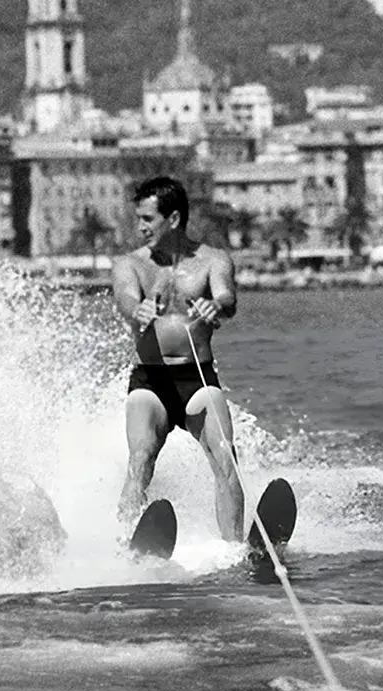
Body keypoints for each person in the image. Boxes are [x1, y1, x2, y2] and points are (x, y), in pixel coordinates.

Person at [111, 176, 243, 542]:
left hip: (196, 379)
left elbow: (227, 298)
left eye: (148, 219)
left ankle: (233, 549)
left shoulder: (213, 261)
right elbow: (125, 298)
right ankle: (124, 546)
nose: (140, 227)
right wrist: (138, 310)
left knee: (225, 456)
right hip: (150, 381)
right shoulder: (130, 265)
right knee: (140, 459)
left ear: (173, 219)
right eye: (138, 218)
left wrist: (214, 305)